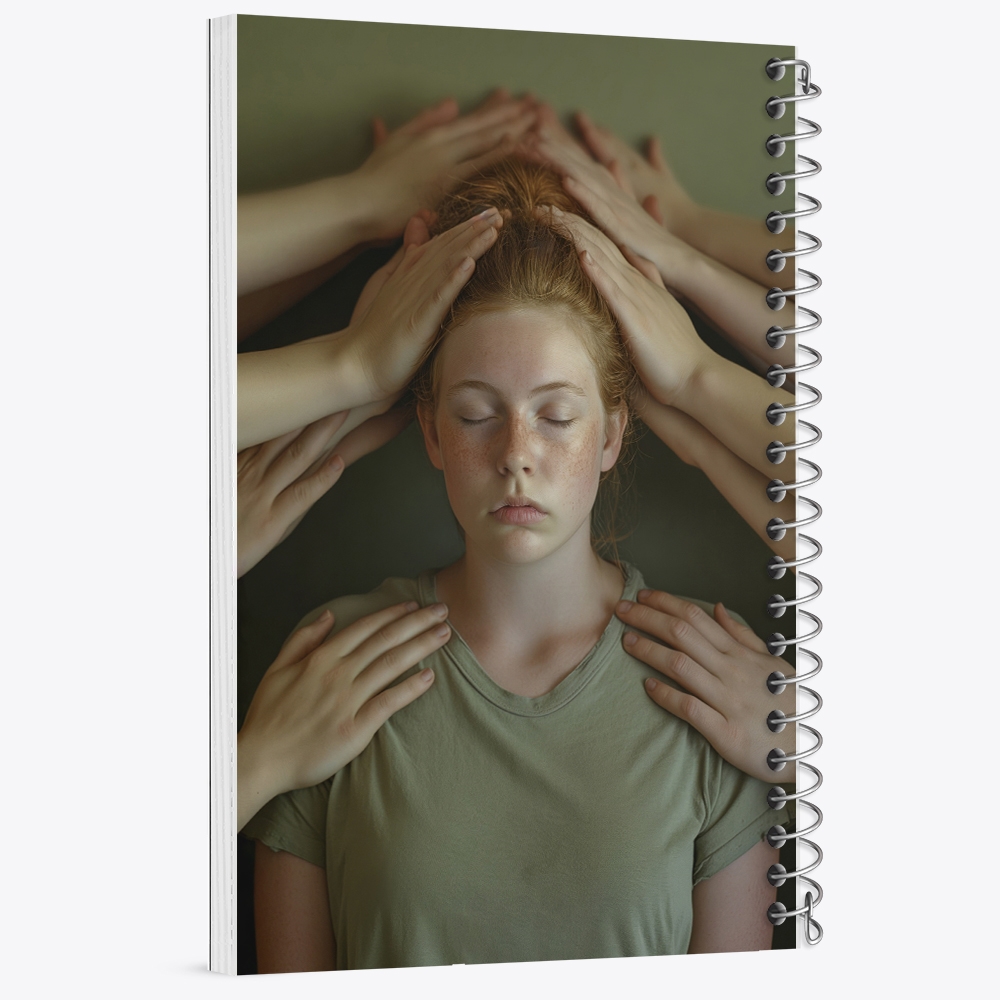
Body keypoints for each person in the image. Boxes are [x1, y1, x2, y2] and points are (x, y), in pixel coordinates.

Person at [243, 159, 792, 970]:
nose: (516, 455)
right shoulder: (331, 673)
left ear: (611, 434)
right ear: (432, 433)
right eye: (475, 414)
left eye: (557, 416)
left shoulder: (719, 684)